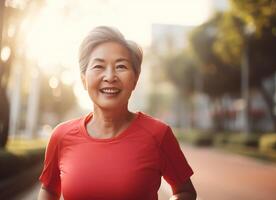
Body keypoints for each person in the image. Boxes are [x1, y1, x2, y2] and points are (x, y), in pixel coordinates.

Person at [38, 26, 197, 200]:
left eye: (121, 66)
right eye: (99, 66)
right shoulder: (61, 136)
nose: (110, 76)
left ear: (135, 80)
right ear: (84, 80)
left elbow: (185, 192)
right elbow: (49, 190)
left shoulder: (159, 134)